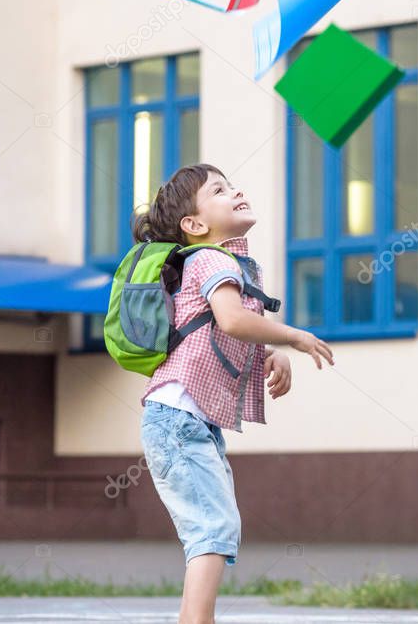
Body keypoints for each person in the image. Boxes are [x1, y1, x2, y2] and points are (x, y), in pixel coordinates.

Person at [132, 163, 334, 624]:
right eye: (220, 190)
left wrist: (268, 355)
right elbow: (230, 321)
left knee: (212, 530)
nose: (236, 191)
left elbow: (221, 332)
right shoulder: (210, 259)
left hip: (186, 423)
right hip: (178, 420)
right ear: (195, 225)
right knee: (214, 529)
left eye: (232, 185)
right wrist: (292, 337)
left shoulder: (230, 264)